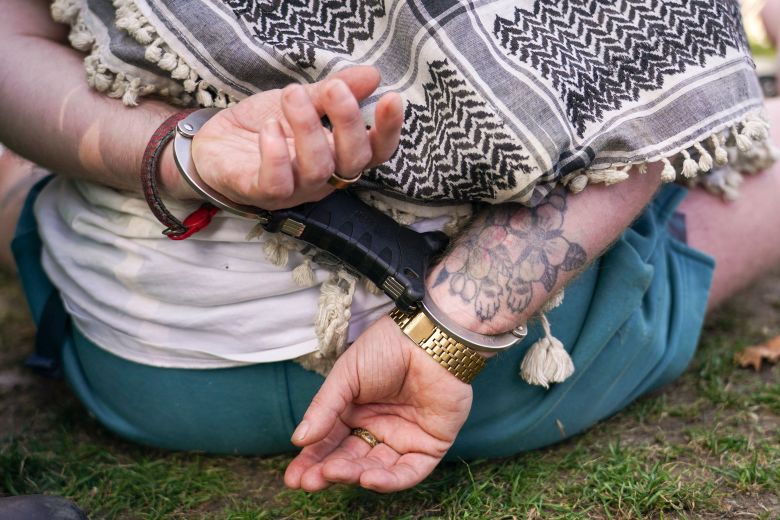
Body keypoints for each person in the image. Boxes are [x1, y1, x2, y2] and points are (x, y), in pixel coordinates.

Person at [1, 0, 780, 495]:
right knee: (698, 133)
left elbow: (13, 42)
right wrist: (452, 332)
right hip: (494, 384)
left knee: (33, 164)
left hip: (148, 368)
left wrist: (185, 153)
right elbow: (645, 96)